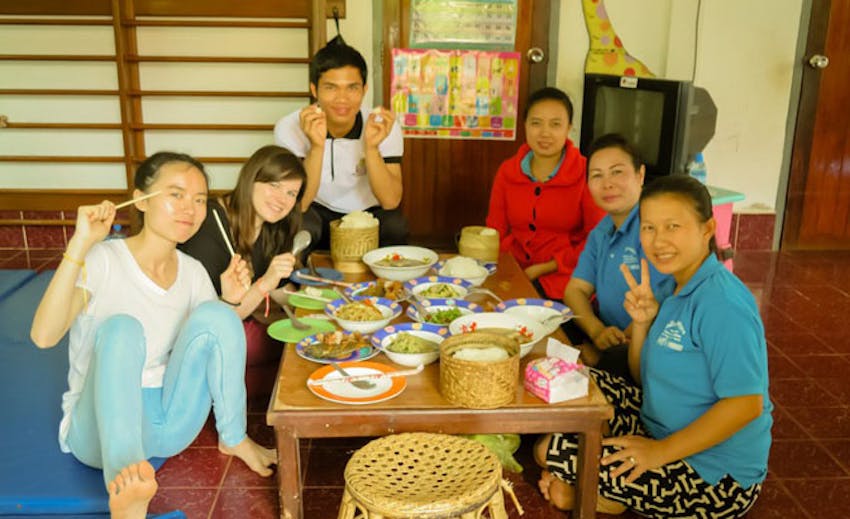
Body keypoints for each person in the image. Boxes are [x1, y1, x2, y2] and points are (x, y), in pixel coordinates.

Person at [30, 152, 277, 519]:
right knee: (122, 328)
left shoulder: (193, 272)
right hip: (99, 432)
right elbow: (44, 336)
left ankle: (234, 437)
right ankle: (126, 493)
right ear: (141, 200)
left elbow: (218, 338)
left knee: (217, 314)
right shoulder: (103, 260)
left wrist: (229, 300)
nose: (189, 209)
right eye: (175, 194)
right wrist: (80, 245)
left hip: (168, 424)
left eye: (198, 200)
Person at [536, 175, 773, 517]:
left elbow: (746, 404)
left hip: (714, 474)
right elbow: (643, 378)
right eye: (648, 228)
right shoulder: (673, 287)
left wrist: (658, 453)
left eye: (672, 226)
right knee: (572, 382)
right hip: (659, 424)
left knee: (548, 449)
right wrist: (644, 324)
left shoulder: (722, 302)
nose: (658, 241)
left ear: (707, 229)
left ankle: (593, 495)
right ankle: (600, 486)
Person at [179, 145, 305, 399]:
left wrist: (304, 297)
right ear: (251, 178)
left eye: (291, 193)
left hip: (240, 317)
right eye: (274, 186)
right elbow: (218, 320)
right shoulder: (211, 223)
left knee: (305, 330)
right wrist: (266, 284)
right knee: (280, 341)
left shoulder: (271, 226)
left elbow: (275, 290)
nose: (282, 199)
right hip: (201, 328)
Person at [274, 36, 407, 251]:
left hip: (367, 214)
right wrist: (317, 147)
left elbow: (391, 201)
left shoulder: (383, 124)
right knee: (299, 224)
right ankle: (295, 284)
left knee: (395, 225)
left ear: (364, 90)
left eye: (352, 88)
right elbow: (300, 204)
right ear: (314, 90)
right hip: (317, 211)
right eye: (331, 88)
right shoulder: (289, 127)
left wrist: (371, 148)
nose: (342, 99)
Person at [564, 134, 673, 380]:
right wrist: (596, 331)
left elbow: (655, 306)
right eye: (597, 175)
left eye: (617, 172)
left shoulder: (654, 229)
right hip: (609, 333)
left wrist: (606, 348)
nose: (607, 184)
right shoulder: (601, 232)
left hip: (650, 340)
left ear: (640, 175)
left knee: (595, 369)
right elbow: (575, 291)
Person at [485, 86, 604, 300]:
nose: (545, 133)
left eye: (555, 124)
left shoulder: (587, 172)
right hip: (514, 270)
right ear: (525, 126)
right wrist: (506, 269)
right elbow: (495, 230)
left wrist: (546, 267)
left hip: (566, 276)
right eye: (536, 123)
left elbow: (596, 237)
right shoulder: (508, 171)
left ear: (569, 127)